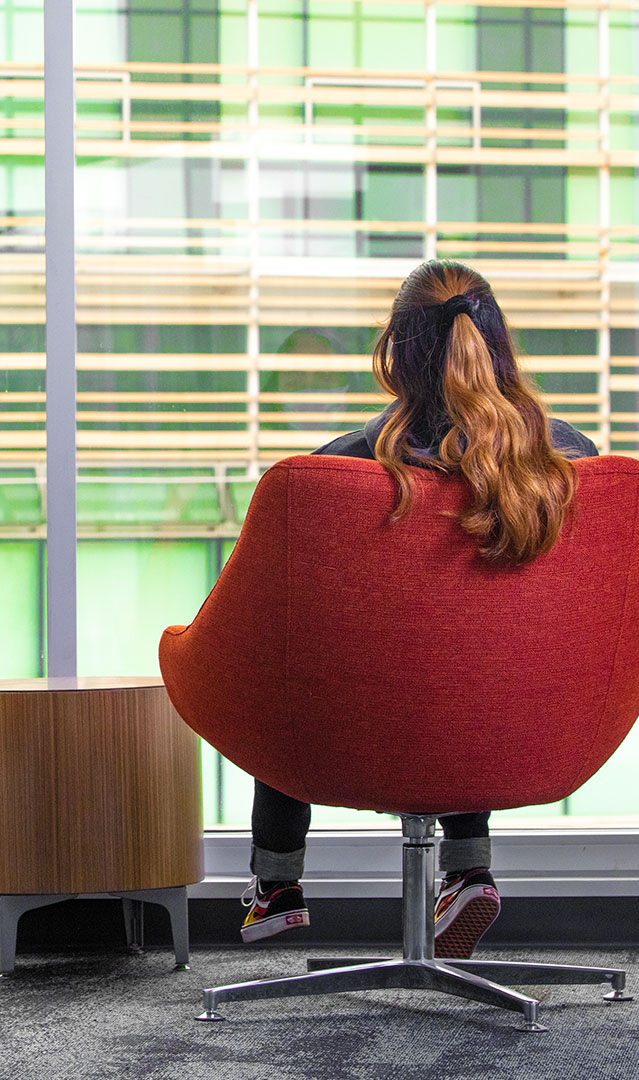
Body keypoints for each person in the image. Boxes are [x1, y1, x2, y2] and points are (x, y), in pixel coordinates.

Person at [239, 259, 598, 958]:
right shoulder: (573, 461)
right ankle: (468, 867)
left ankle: (276, 883)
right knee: (472, 652)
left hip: (371, 723)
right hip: (528, 716)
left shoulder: (340, 469)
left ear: (395, 355)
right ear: (497, 343)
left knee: (280, 660)